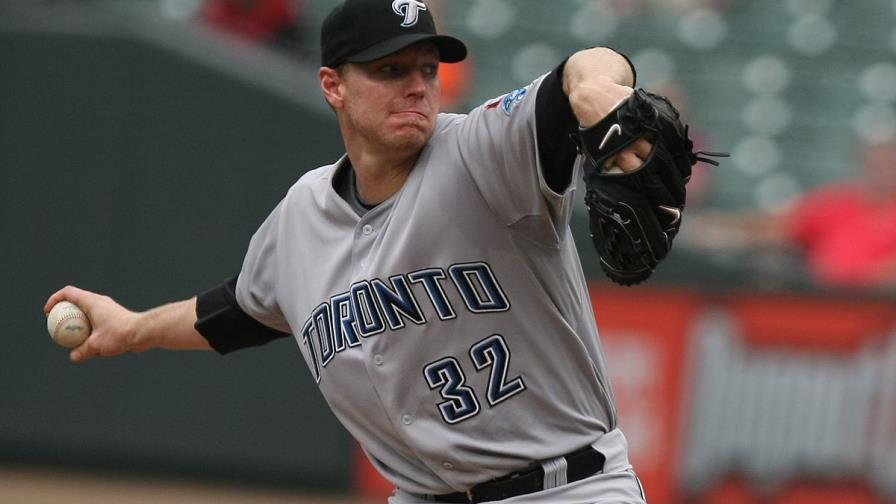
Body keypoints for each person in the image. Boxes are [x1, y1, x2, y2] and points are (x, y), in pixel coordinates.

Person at [46, 0, 662, 502]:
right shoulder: (302, 215)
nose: (419, 87)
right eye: (391, 71)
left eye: (427, 69)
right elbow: (234, 312)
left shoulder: (485, 152)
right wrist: (133, 330)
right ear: (333, 85)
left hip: (566, 489)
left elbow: (582, 68)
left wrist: (599, 92)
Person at [686, 138, 896, 290]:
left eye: (887, 162)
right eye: (874, 162)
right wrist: (724, 228)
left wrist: (851, 280)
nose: (880, 170)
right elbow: (784, 224)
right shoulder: (840, 202)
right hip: (818, 295)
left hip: (873, 306)